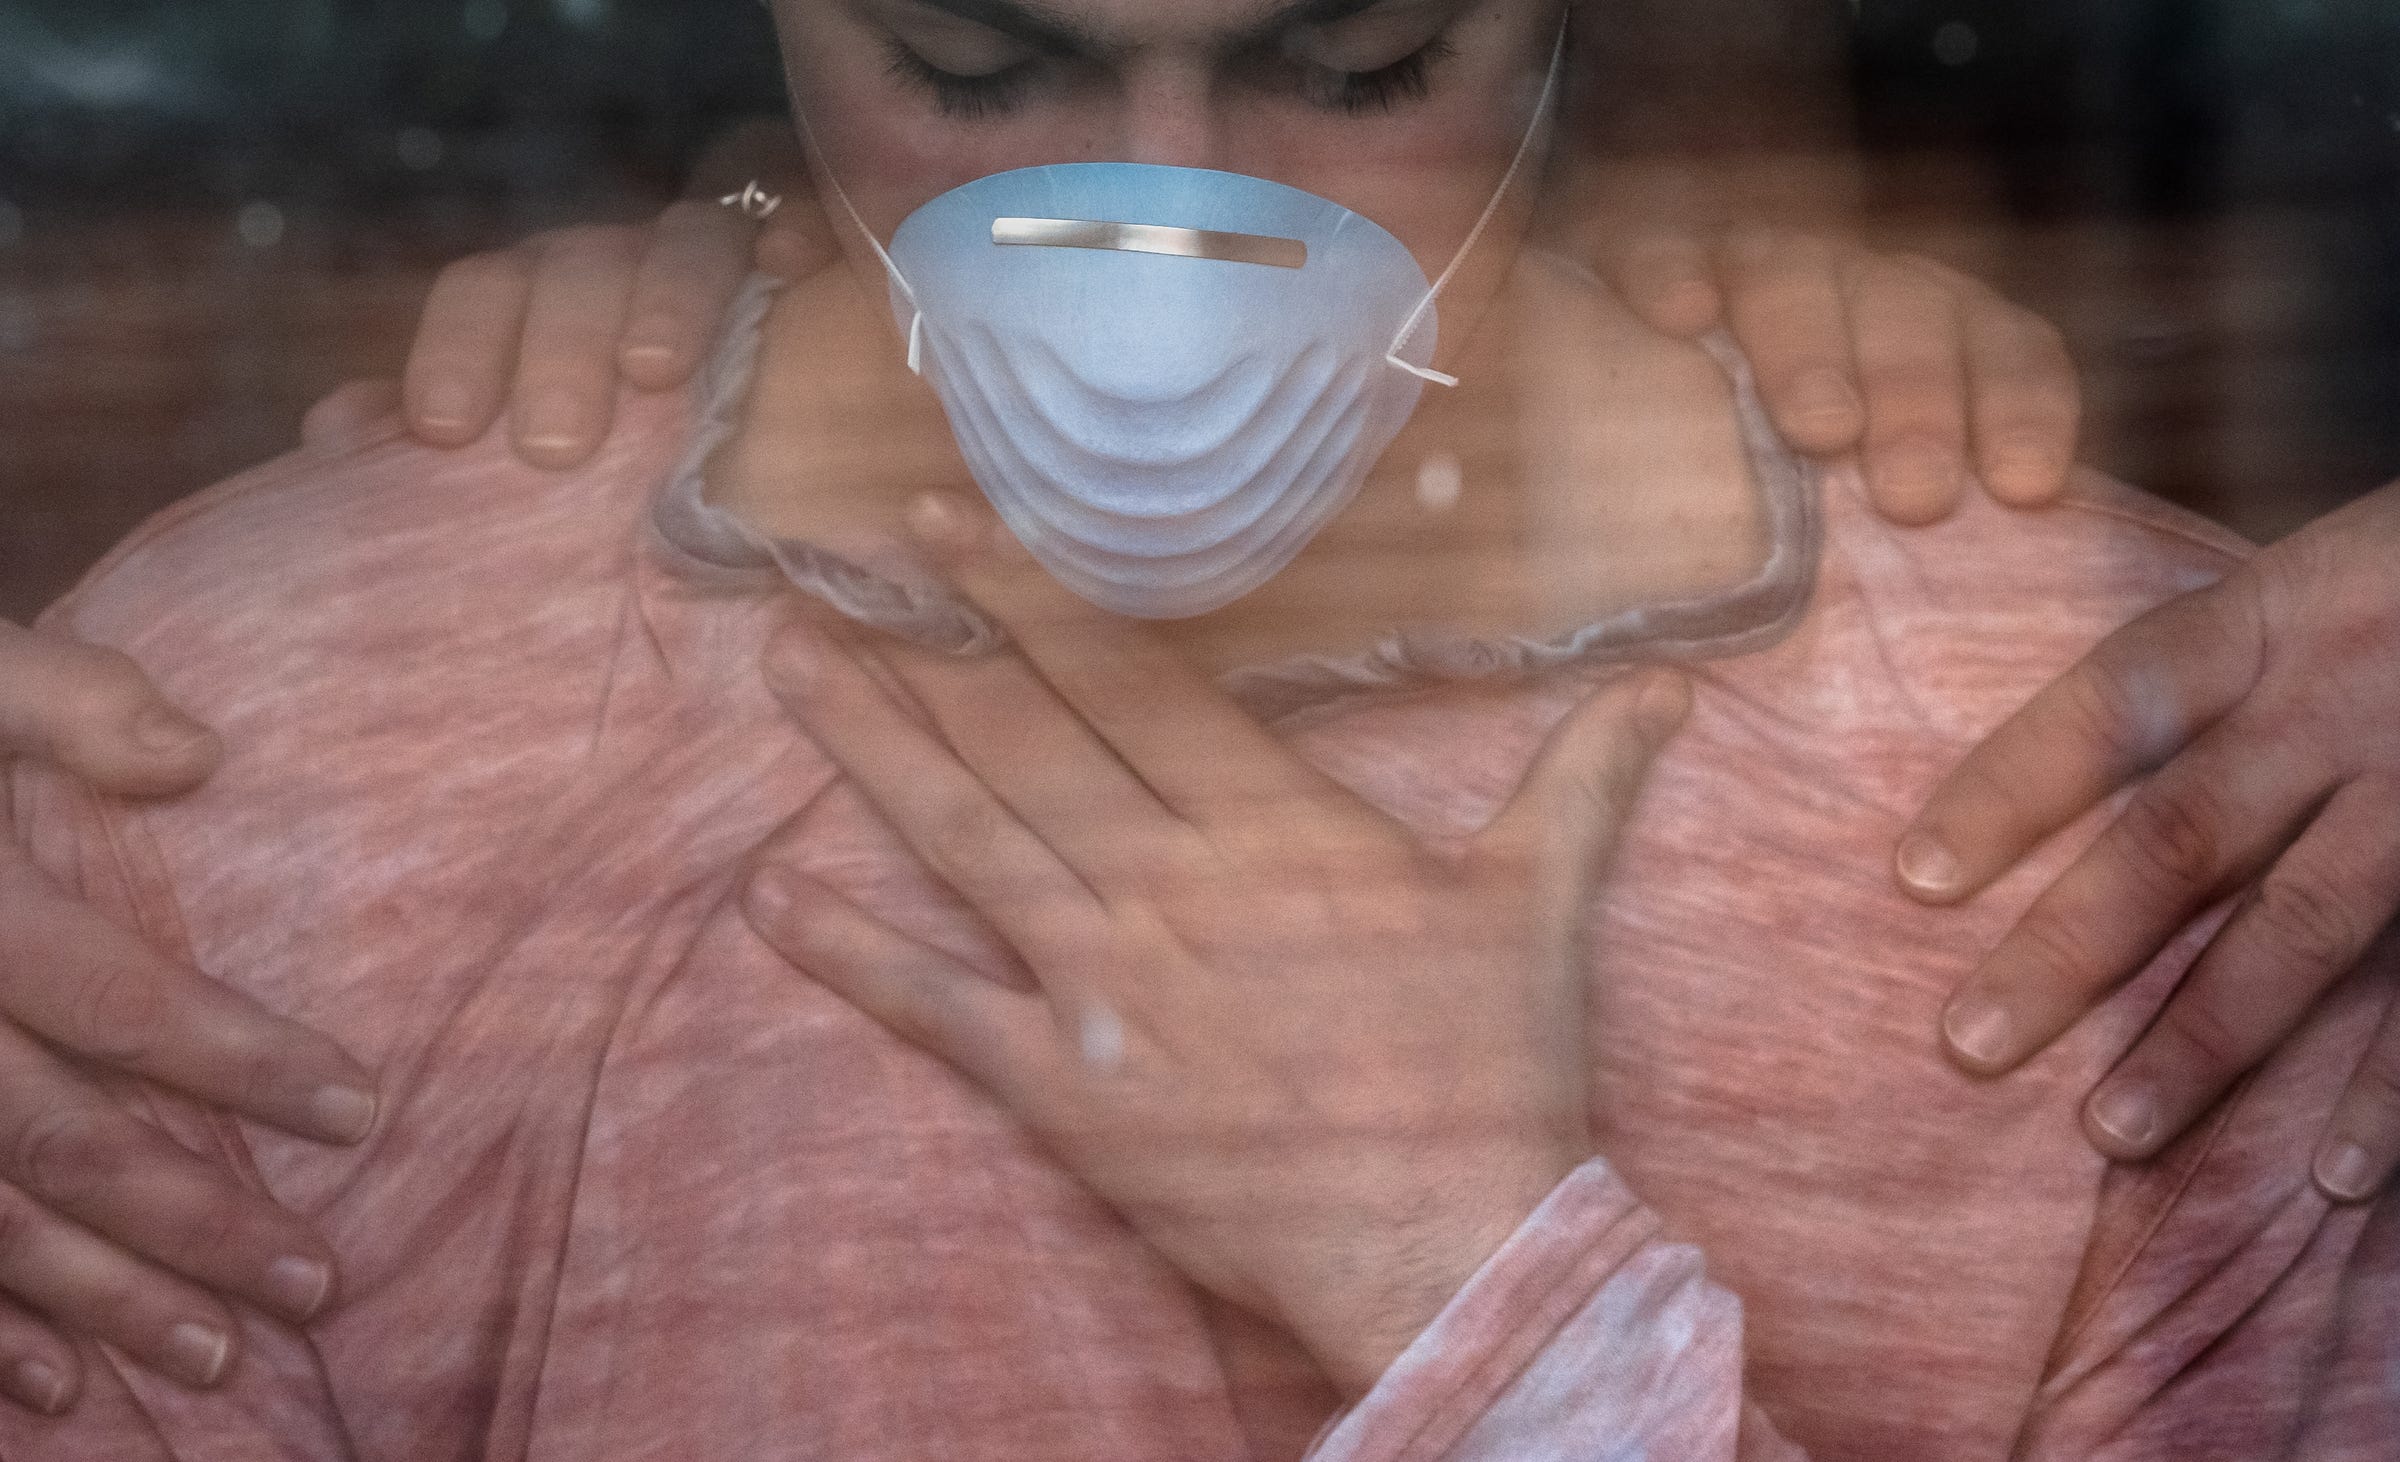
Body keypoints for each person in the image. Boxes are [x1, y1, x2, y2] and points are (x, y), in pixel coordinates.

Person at [1, 1, 2394, 1455]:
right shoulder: (241, 748)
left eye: (1357, 61)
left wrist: (1477, 1276)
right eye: (972, 61)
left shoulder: (2195, 785)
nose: (1170, 217)